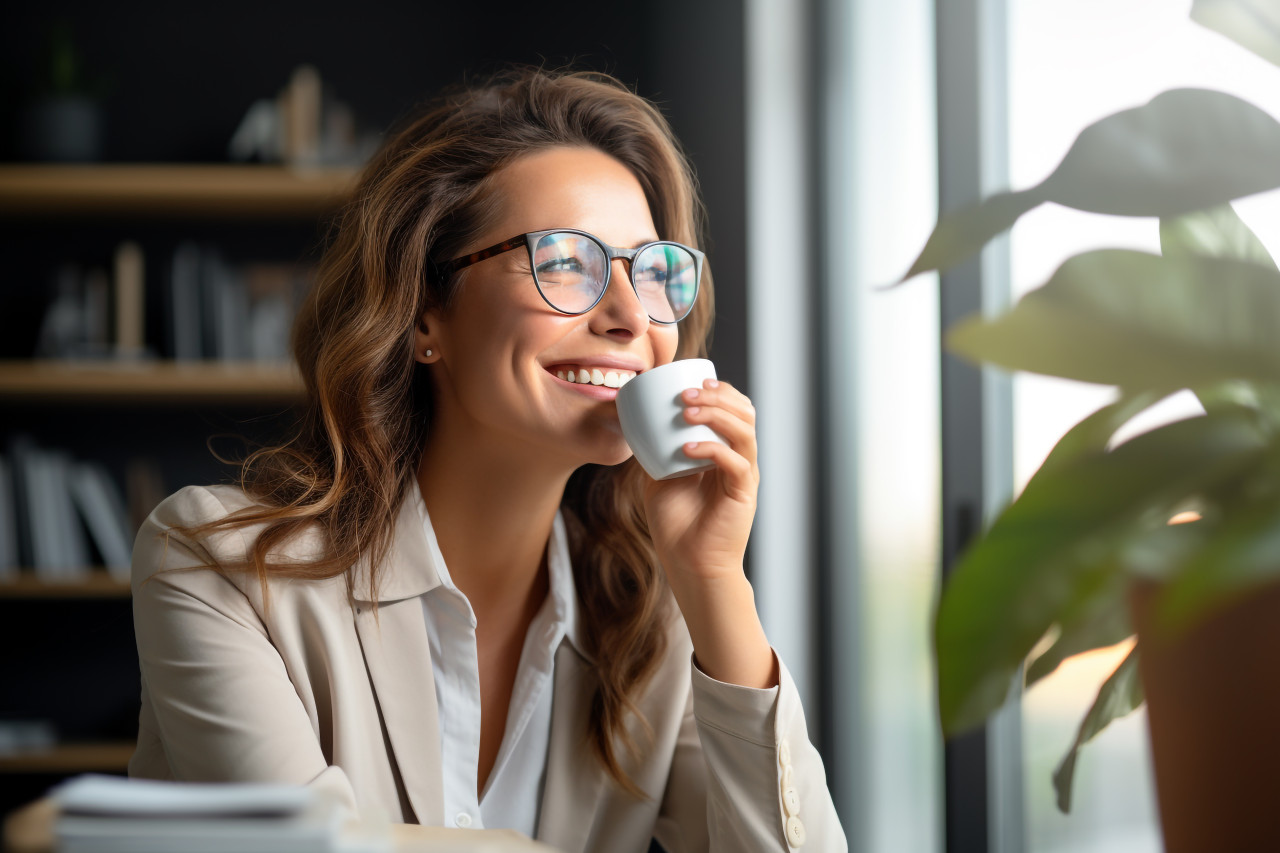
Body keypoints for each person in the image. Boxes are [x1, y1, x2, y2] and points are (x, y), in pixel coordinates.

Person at [129, 67, 845, 852]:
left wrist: (715, 583)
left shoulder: (650, 623)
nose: (628, 315)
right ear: (423, 311)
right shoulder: (219, 563)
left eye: (651, 271)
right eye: (566, 260)